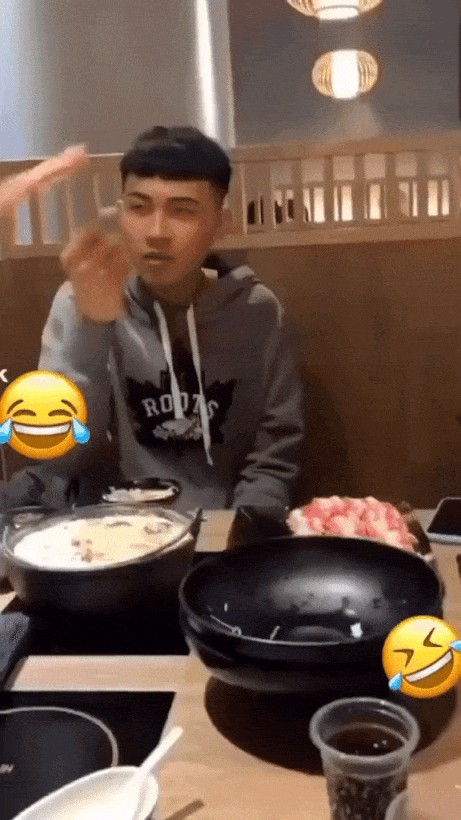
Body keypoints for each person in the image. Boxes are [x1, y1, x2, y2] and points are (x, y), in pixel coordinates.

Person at [1, 127, 305, 511]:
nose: (157, 232)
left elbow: (274, 452)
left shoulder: (256, 311)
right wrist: (91, 326)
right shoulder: (78, 301)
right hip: (106, 530)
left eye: (182, 211)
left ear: (221, 224)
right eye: (139, 208)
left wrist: (245, 523)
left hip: (222, 527)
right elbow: (62, 455)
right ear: (120, 214)